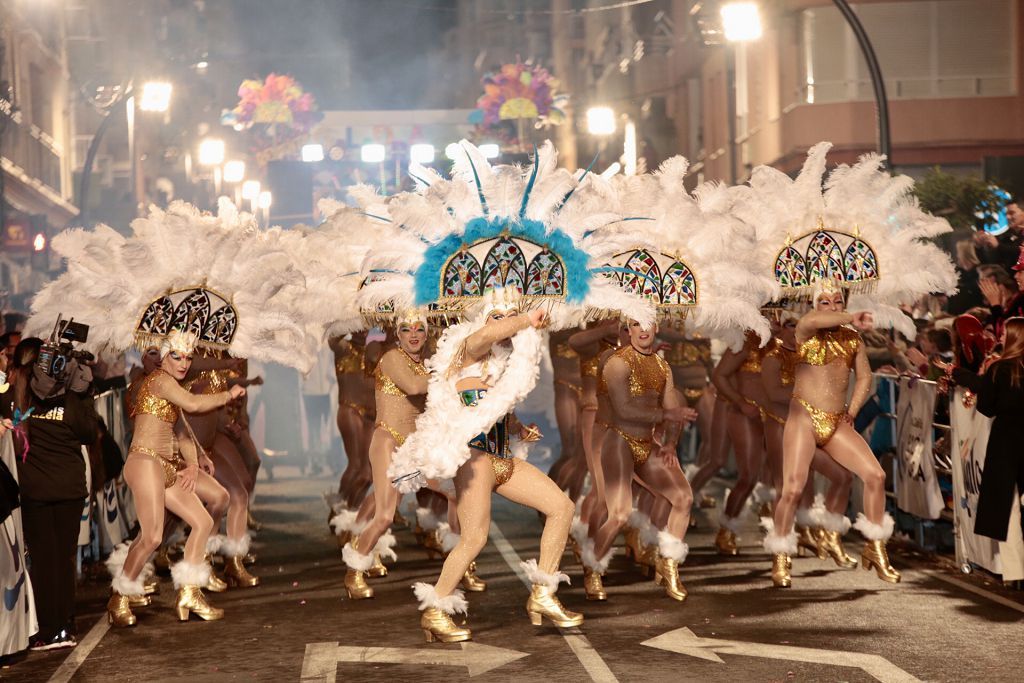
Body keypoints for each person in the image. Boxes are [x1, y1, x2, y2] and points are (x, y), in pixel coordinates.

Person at [392, 289, 580, 643]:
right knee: (475, 538)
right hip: (473, 463)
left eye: (510, 316)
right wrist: (525, 318)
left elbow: (496, 413)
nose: (504, 323)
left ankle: (543, 594)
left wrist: (520, 429)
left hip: (502, 459)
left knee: (562, 507)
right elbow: (487, 335)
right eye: (498, 316)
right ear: (483, 319)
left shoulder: (499, 365)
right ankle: (435, 610)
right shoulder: (464, 350)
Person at [762, 282, 899, 588]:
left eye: (838, 301)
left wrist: (853, 409)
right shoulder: (806, 330)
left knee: (875, 476)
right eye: (825, 302)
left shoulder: (852, 338)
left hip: (836, 421)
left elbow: (864, 376)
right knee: (792, 489)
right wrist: (851, 316)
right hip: (803, 419)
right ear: (815, 305)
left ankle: (875, 548)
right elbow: (812, 320)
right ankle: (781, 554)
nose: (833, 306)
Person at [106, 330, 245, 627]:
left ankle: (189, 592)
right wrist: (228, 394)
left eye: (188, 357)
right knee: (153, 536)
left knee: (203, 522)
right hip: (145, 461)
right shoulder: (159, 380)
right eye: (176, 356)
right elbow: (194, 406)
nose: (183, 363)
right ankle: (119, 595)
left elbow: (182, 431)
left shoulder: (170, 384)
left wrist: (194, 464)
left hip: (166, 466)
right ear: (164, 357)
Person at [581, 317, 697, 601]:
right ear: (628, 330)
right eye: (636, 324)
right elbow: (624, 411)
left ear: (656, 328)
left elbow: (673, 407)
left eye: (648, 324)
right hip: (617, 439)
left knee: (683, 498)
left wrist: (670, 442)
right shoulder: (617, 362)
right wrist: (667, 416)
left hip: (648, 442)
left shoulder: (662, 366)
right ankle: (593, 568)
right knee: (619, 514)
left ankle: (668, 566)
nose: (643, 329)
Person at [11, 337, 97, 650]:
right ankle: (64, 625)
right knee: (62, 560)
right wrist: (84, 392)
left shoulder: (20, 395)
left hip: (38, 491)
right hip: (68, 489)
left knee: (47, 562)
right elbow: (89, 433)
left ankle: (51, 629)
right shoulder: (72, 396)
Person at [342, 312, 432, 599]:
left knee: (454, 494)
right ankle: (354, 568)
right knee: (384, 516)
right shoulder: (392, 357)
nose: (413, 334)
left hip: (413, 449)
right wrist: (450, 374)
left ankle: (464, 564)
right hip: (388, 444)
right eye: (406, 329)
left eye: (419, 329)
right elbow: (416, 387)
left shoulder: (425, 363)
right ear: (398, 334)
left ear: (427, 334)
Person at [760, 313, 856, 567]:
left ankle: (827, 535)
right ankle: (781, 555)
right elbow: (772, 394)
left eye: (801, 324)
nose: (796, 329)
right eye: (790, 324)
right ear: (781, 330)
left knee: (842, 476)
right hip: (781, 426)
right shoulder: (773, 358)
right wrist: (810, 391)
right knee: (786, 488)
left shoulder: (814, 354)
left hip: (813, 428)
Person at [938, 317, 1024, 542]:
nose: (1000, 337)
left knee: (1006, 510)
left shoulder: (1000, 368)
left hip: (1006, 440)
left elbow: (986, 407)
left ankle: (1015, 573)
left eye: (1005, 333)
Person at [707, 331, 769, 555]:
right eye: (770, 312)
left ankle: (778, 527)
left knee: (770, 475)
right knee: (748, 476)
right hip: (745, 416)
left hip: (773, 417)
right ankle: (726, 530)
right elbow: (719, 375)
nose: (776, 318)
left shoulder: (785, 343)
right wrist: (741, 403)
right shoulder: (745, 342)